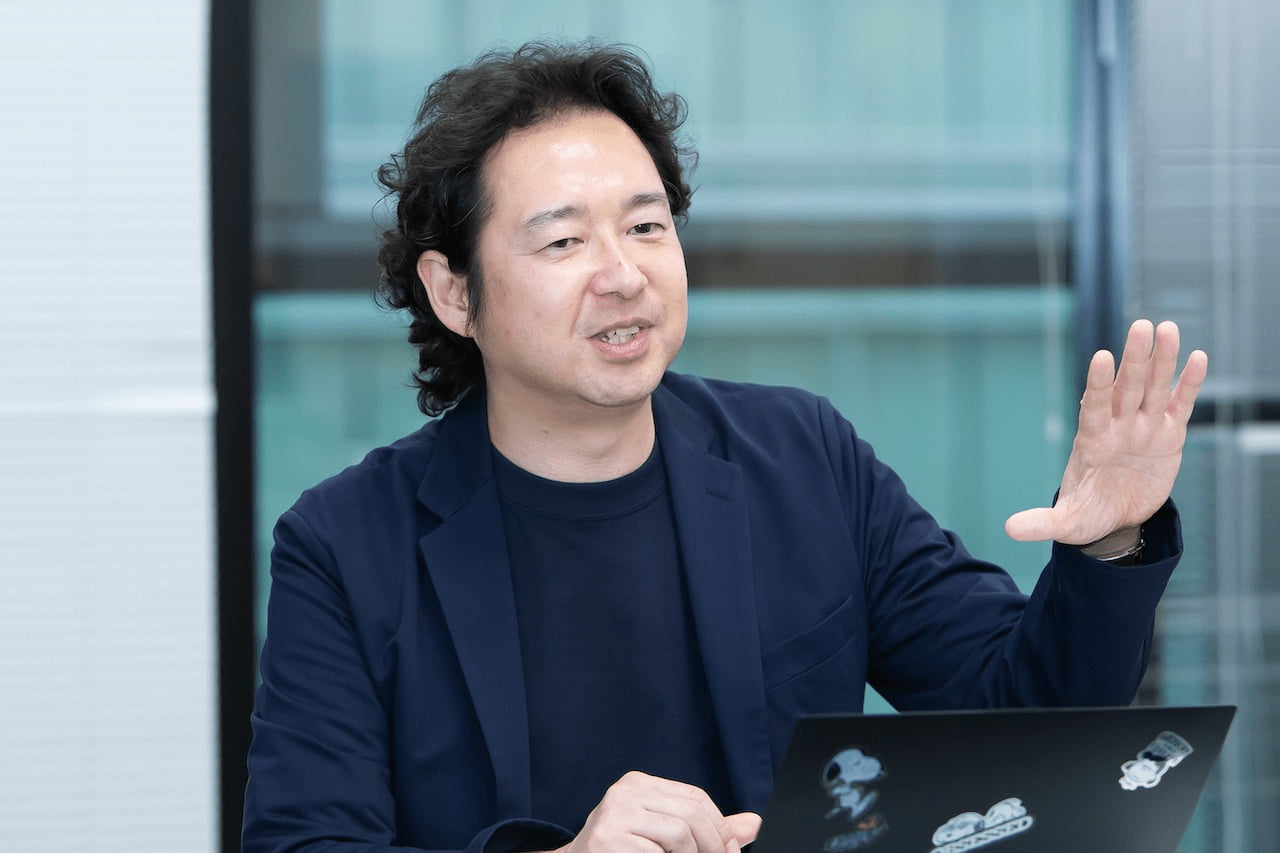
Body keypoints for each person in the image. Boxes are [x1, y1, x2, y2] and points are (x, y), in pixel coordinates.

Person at [242, 41, 1208, 853]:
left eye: (646, 225)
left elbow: (1023, 726)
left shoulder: (804, 458)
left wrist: (1107, 542)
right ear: (455, 292)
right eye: (563, 242)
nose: (623, 274)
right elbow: (304, 841)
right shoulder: (345, 546)